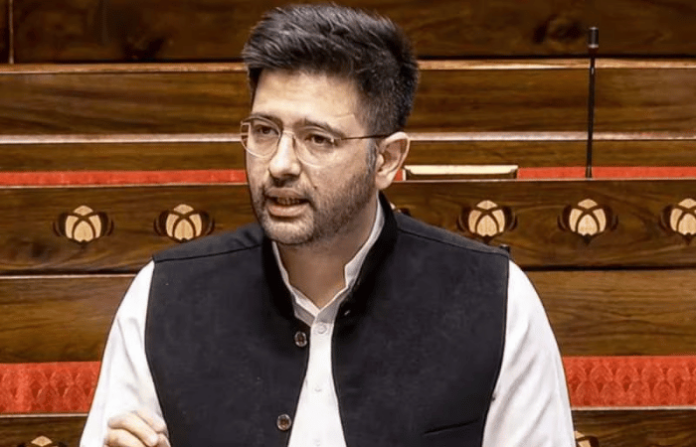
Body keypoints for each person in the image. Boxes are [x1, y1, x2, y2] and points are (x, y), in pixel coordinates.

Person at [81, 4, 575, 447]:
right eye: (264, 131)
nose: (279, 164)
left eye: (318, 139)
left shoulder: (495, 298)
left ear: (387, 159)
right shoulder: (165, 293)